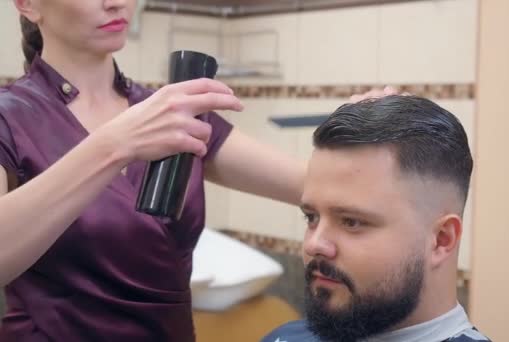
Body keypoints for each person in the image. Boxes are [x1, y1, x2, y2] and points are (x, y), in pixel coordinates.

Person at [0, 0, 307, 340]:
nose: (116, 2)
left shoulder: (171, 113)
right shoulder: (9, 117)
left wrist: (364, 129)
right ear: (27, 5)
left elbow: (312, 185)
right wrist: (114, 146)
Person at [262, 95, 491, 342]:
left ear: (441, 239)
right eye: (312, 217)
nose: (313, 244)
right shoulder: (285, 337)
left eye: (351, 222)